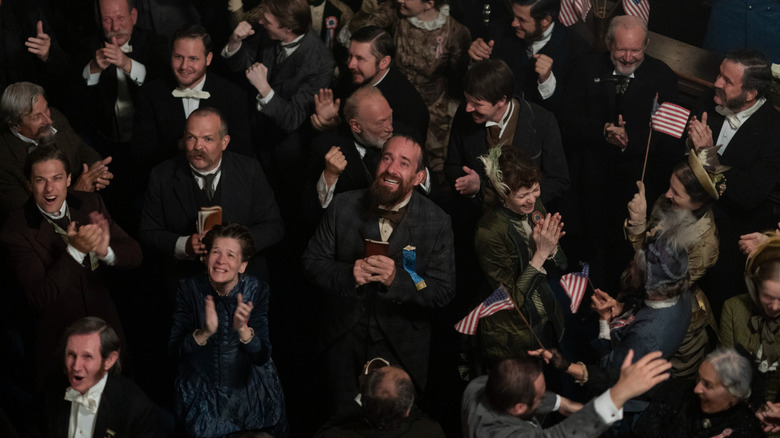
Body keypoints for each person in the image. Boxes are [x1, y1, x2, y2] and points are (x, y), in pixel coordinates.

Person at [302, 134, 456, 403]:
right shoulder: (343, 205)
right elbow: (312, 262)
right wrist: (348, 273)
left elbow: (442, 291)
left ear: (419, 177)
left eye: (404, 163)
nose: (391, 168)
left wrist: (398, 280)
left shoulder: (437, 222)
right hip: (343, 340)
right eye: (387, 158)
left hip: (403, 347)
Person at [0, 145, 141, 385]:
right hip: (59, 343)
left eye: (56, 178)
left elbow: (135, 254)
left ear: (68, 179)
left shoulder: (89, 202)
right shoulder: (15, 230)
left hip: (105, 328)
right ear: (28, 184)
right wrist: (76, 250)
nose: (49, 189)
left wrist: (104, 250)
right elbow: (39, 295)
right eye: (40, 180)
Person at [560, 14, 681, 294]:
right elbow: (566, 120)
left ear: (647, 45)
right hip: (586, 188)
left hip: (633, 194)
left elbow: (668, 142)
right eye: (621, 49)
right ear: (607, 43)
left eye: (635, 50)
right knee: (582, 263)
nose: (628, 57)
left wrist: (629, 141)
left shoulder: (663, 78)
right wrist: (602, 131)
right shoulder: (586, 66)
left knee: (619, 267)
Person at [138, 107, 283, 283]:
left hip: (244, 283)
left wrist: (236, 246)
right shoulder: (161, 176)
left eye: (208, 139)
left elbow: (274, 227)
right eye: (191, 137)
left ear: (224, 142)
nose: (198, 146)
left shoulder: (250, 170)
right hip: (186, 283)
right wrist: (184, 245)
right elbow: (147, 232)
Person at [169, 223, 288, 437]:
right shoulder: (189, 289)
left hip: (251, 396)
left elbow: (262, 355)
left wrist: (244, 331)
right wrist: (204, 332)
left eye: (231, 255)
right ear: (206, 258)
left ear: (242, 265)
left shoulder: (257, 290)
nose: (221, 261)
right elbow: (175, 351)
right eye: (216, 252)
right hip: (202, 396)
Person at [688, 50, 780, 316]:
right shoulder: (709, 99)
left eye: (727, 80)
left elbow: (749, 194)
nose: (716, 82)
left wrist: (710, 156)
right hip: (686, 225)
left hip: (726, 245)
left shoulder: (774, 130)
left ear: (750, 94)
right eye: (719, 74)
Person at [625, 148, 726, 378]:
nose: (667, 195)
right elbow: (649, 248)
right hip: (642, 300)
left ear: (698, 202)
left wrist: (638, 225)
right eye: (670, 186)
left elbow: (657, 279)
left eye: (677, 193)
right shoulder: (666, 202)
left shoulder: (705, 245)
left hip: (673, 321)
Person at [221, 0, 334, 205]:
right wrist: (235, 42)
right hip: (252, 133)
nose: (260, 21)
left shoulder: (320, 62)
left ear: (288, 28)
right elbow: (246, 66)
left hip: (285, 153)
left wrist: (264, 88)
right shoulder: (268, 31)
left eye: (267, 20)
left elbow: (293, 118)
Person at [473, 147, 566, 366]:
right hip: (514, 336)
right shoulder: (489, 232)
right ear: (502, 193)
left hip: (547, 321)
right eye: (522, 195)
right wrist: (541, 254)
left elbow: (562, 263)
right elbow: (510, 300)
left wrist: (552, 249)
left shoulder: (535, 208)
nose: (532, 200)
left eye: (535, 190)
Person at [132, 24, 254, 184]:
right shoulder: (150, 95)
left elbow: (242, 154)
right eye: (178, 57)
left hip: (221, 185)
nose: (184, 66)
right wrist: (180, 145)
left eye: (193, 59)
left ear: (208, 59)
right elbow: (142, 156)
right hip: (169, 185)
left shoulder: (232, 95)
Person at [445, 58, 569, 208]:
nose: (468, 108)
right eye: (467, 100)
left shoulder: (543, 122)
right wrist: (472, 187)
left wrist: (522, 200)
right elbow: (452, 165)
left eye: (477, 104)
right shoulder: (464, 116)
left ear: (501, 101)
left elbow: (558, 180)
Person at [462, 350, 672, 437]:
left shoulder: (478, 385)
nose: (545, 397)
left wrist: (562, 404)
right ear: (519, 408)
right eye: (540, 396)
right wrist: (620, 393)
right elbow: (559, 436)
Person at [0, 82, 113, 216]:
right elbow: (30, 218)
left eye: (46, 109)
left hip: (88, 207)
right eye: (37, 116)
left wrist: (97, 173)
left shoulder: (55, 116)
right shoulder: (4, 159)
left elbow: (83, 151)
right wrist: (78, 193)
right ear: (16, 125)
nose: (48, 120)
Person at [41, 317, 164, 438]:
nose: (76, 367)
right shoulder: (51, 390)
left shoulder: (136, 408)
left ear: (109, 361)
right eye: (71, 354)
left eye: (87, 357)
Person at [393, 0, 471, 183]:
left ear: (429, 3)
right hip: (398, 102)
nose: (399, 0)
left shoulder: (455, 31)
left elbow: (458, 74)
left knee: (435, 168)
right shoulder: (398, 17)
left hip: (434, 106)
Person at [311, 25, 429, 144]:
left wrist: (339, 128)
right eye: (350, 56)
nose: (351, 64)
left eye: (360, 58)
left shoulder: (408, 105)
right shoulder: (352, 76)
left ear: (384, 62)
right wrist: (331, 122)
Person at [467, 0, 590, 114]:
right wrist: (476, 60)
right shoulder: (499, 30)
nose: (514, 23)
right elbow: (480, 86)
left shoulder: (577, 51)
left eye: (521, 20)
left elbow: (569, 113)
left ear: (545, 21)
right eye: (514, 16)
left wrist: (547, 82)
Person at [82, 0, 167, 147]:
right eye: (107, 20)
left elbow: (160, 90)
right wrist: (94, 68)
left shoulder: (156, 44)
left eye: (120, 18)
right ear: (98, 21)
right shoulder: (87, 46)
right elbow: (78, 101)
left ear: (133, 16)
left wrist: (126, 64)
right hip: (104, 142)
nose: (115, 27)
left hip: (149, 143)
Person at [636, 348, 764, 438]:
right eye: (699, 378)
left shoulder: (747, 430)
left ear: (733, 395)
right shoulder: (677, 392)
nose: (696, 389)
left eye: (707, 385)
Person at [720, 234, 780, 412]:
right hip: (737, 407)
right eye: (767, 297)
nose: (775, 307)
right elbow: (724, 372)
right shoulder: (733, 309)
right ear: (755, 287)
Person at [309, 86, 394, 211]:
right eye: (380, 123)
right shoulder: (324, 149)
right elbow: (310, 212)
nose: (390, 128)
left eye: (390, 117)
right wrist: (330, 176)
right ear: (356, 126)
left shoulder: (404, 135)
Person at [316, 362, 446, 437]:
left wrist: (362, 393)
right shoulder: (430, 432)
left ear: (364, 403)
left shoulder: (336, 435)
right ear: (407, 410)